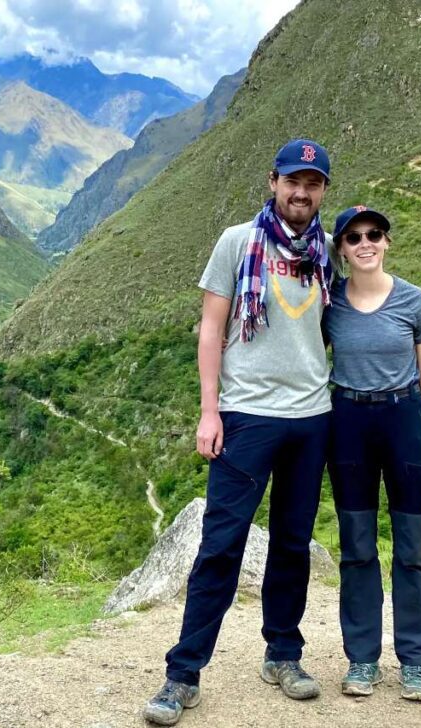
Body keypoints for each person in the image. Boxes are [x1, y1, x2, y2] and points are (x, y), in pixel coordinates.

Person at [143, 139, 337, 726]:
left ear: (323, 191)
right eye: (292, 181)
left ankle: (283, 655)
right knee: (221, 545)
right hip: (245, 415)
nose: (300, 192)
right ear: (273, 182)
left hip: (311, 417)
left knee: (292, 544)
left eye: (312, 184)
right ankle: (183, 674)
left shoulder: (328, 251)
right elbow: (211, 329)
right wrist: (210, 411)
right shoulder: (237, 242)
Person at [322, 206, 421, 702]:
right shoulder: (330, 301)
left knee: (413, 547)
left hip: (405, 422)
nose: (365, 244)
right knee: (357, 545)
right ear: (341, 249)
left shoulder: (414, 301)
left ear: (387, 242)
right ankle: (362, 659)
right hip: (348, 423)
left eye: (374, 234)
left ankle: (415, 661)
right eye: (353, 237)